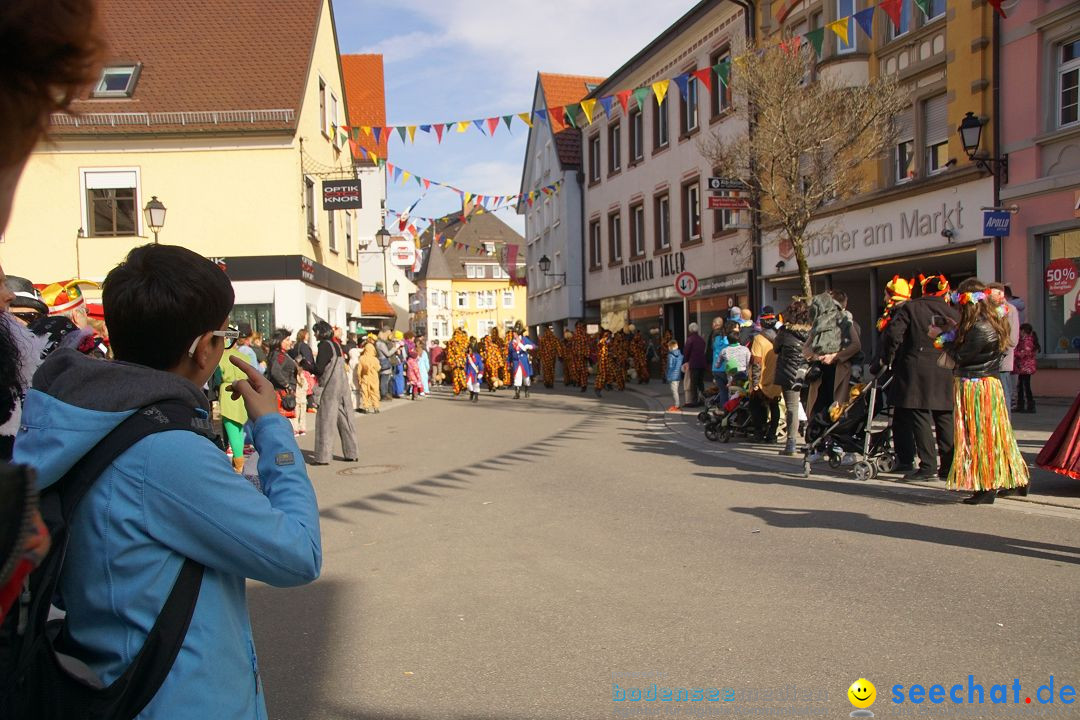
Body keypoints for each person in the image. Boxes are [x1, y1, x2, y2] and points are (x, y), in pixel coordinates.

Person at [13, 244, 321, 717]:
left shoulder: (88, 416)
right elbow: (298, 553)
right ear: (203, 347)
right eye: (224, 333)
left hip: (119, 678)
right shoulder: (165, 451)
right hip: (179, 698)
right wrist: (273, 429)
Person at [936, 279, 1029, 504]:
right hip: (983, 384)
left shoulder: (979, 326)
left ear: (969, 303)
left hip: (978, 388)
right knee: (998, 436)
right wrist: (952, 331)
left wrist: (939, 340)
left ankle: (986, 488)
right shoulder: (986, 322)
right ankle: (1016, 481)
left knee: (981, 436)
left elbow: (959, 357)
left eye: (961, 303)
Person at [804, 290, 862, 418]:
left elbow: (856, 345)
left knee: (830, 410)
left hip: (833, 371)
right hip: (827, 372)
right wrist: (820, 357)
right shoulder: (830, 320)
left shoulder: (839, 320)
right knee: (826, 411)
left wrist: (831, 356)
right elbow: (806, 348)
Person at [311, 320, 357, 465]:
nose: (314, 334)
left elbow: (319, 369)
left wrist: (305, 365)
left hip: (330, 388)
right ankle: (352, 452)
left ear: (320, 332)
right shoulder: (336, 345)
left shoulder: (324, 346)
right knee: (345, 420)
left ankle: (323, 456)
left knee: (325, 422)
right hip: (342, 386)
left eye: (315, 331)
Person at [773, 300, 811, 456]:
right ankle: (813, 440)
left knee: (792, 408)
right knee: (811, 406)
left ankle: (791, 443)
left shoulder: (784, 332)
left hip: (789, 373)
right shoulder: (812, 332)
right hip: (808, 372)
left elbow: (776, 349)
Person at [218, 328, 250, 473]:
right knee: (239, 429)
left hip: (227, 391)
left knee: (231, 430)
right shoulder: (243, 356)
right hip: (242, 391)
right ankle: (239, 460)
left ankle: (238, 463)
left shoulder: (221, 358)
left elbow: (217, 377)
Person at [748, 307, 782, 444]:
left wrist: (755, 383)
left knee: (756, 407)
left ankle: (758, 434)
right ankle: (772, 435)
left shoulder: (758, 339)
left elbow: (756, 362)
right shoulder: (780, 338)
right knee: (774, 407)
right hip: (776, 378)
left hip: (762, 379)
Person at [987, 283, 1020, 419]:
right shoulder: (989, 310)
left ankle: (1005, 426)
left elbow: (1012, 339)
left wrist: (1000, 350)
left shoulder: (1009, 309)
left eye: (992, 293)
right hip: (989, 361)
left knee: (1004, 394)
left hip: (1001, 361)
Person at [267, 329, 303, 435]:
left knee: (282, 425)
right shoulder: (279, 355)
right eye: (286, 340)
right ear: (279, 341)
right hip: (280, 393)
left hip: (282, 393)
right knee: (281, 427)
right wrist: (287, 385)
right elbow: (275, 372)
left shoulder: (281, 354)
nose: (289, 342)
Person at [1013, 323, 1039, 413]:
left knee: (1025, 386)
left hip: (1026, 368)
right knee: (1020, 386)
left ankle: (1030, 406)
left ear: (1023, 331)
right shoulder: (1023, 340)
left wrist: (1014, 352)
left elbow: (1023, 353)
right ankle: (1021, 405)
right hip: (1022, 368)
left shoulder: (1027, 341)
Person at [290, 328, 317, 411]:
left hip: (298, 368)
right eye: (307, 334)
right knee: (308, 387)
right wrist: (312, 367)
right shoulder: (304, 346)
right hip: (305, 369)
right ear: (304, 335)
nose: (308, 336)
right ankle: (310, 405)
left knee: (301, 387)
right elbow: (308, 358)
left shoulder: (296, 345)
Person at [508, 327, 537, 399]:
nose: (513, 334)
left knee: (526, 378)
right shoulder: (511, 343)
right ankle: (517, 393)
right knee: (517, 377)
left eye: (514, 332)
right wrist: (508, 363)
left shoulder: (524, 340)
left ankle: (527, 390)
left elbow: (535, 346)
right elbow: (509, 354)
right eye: (513, 332)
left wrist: (529, 346)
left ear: (518, 333)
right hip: (516, 362)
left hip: (524, 362)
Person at [683, 322, 707, 407]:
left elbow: (686, 352)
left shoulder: (690, 339)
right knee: (700, 382)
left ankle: (694, 401)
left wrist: (685, 361)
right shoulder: (701, 339)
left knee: (693, 383)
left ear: (690, 330)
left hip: (694, 363)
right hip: (702, 363)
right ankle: (703, 399)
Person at [357, 338, 382, 413]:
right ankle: (376, 407)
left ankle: (366, 407)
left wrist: (359, 378)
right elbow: (378, 368)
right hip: (374, 378)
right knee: (375, 392)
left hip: (365, 377)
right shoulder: (375, 359)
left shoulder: (361, 358)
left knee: (365, 393)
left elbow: (359, 370)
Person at [375, 328, 397, 401]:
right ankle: (383, 395)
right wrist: (394, 348)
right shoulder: (381, 344)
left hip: (382, 361)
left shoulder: (378, 343)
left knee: (384, 379)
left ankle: (384, 394)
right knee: (384, 379)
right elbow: (388, 354)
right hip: (384, 362)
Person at [569, 322, 591, 391]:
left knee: (580, 370)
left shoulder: (581, 335)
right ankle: (581, 382)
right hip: (578, 356)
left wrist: (587, 354)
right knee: (579, 370)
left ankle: (582, 383)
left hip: (580, 356)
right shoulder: (576, 335)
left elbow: (587, 345)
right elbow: (572, 345)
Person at [664, 338, 684, 412]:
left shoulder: (670, 355)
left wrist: (667, 374)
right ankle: (677, 404)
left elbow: (670, 366)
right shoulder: (680, 355)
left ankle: (677, 405)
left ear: (670, 347)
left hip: (672, 375)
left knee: (674, 391)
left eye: (669, 347)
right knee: (676, 390)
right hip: (678, 375)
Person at [447, 328, 469, 395]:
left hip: (456, 361)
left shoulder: (453, 342)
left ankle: (458, 389)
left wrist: (451, 361)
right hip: (459, 361)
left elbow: (449, 353)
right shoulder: (463, 342)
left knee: (457, 375)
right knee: (460, 374)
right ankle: (462, 386)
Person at [465, 338, 485, 403]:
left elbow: (480, 364)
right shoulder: (468, 356)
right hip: (469, 372)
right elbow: (466, 365)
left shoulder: (477, 356)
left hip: (475, 372)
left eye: (470, 348)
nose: (469, 349)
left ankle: (476, 397)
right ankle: (471, 392)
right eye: (469, 348)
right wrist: (465, 372)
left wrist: (481, 373)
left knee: (476, 385)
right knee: (468, 384)